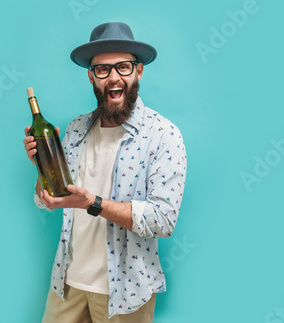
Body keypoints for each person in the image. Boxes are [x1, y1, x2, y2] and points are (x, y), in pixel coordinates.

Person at [23, 22, 187, 322]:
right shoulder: (74, 130)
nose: (114, 77)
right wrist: (42, 170)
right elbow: (47, 200)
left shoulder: (163, 134)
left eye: (123, 67)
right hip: (67, 284)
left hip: (126, 292)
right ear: (91, 76)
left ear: (138, 71)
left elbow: (163, 220)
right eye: (103, 70)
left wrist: (92, 203)